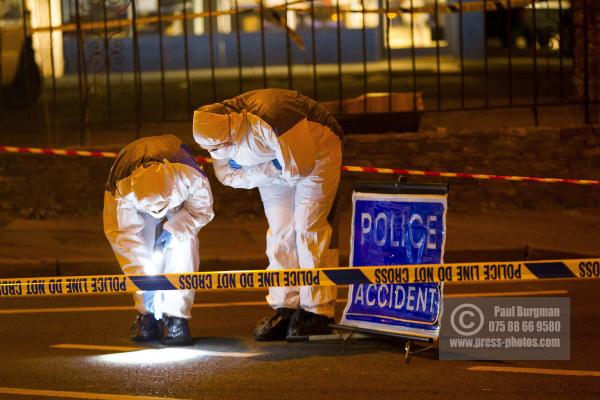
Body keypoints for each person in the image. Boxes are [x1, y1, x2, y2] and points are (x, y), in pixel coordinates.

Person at [192, 89, 343, 340]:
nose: (224, 150)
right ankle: (286, 306)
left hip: (318, 154)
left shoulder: (273, 115)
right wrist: (273, 166)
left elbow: (299, 167)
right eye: (218, 148)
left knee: (308, 227)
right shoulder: (213, 134)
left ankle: (318, 311)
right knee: (280, 233)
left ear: (232, 124)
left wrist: (262, 168)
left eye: (227, 144)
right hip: (277, 164)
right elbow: (228, 176)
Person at [103, 135, 214, 346]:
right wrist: (144, 282)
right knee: (141, 246)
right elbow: (123, 236)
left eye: (159, 207)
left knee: (184, 244)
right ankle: (146, 314)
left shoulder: (190, 176)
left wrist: (174, 229)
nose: (156, 213)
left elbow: (201, 210)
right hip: (138, 207)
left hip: (179, 207)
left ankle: (176, 317)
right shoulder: (122, 188)